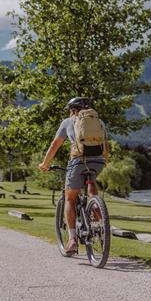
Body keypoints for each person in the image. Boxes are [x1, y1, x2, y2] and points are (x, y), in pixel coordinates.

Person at [38, 97, 108, 255]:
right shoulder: (99, 122)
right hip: (98, 162)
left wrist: (45, 164)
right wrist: (104, 161)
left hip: (78, 161)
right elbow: (105, 143)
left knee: (69, 198)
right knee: (91, 181)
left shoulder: (68, 122)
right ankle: (98, 215)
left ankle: (72, 240)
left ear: (73, 109)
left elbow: (54, 145)